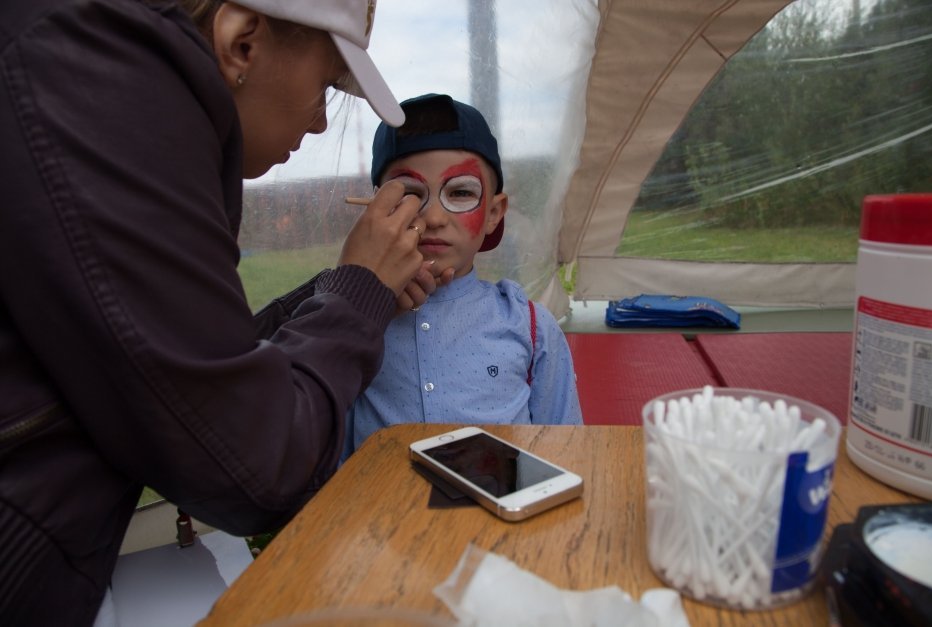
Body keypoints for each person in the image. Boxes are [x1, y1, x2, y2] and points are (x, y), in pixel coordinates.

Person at [0, 1, 443, 624]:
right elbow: (254, 469)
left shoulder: (88, 74)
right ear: (242, 43)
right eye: (324, 87)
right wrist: (358, 292)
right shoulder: (96, 79)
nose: (319, 123)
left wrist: (348, 289)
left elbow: (195, 371)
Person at [343, 94, 583, 458]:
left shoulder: (531, 328)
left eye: (459, 193)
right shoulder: (347, 328)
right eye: (410, 194)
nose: (435, 217)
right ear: (379, 210)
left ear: (494, 212)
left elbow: (570, 453)